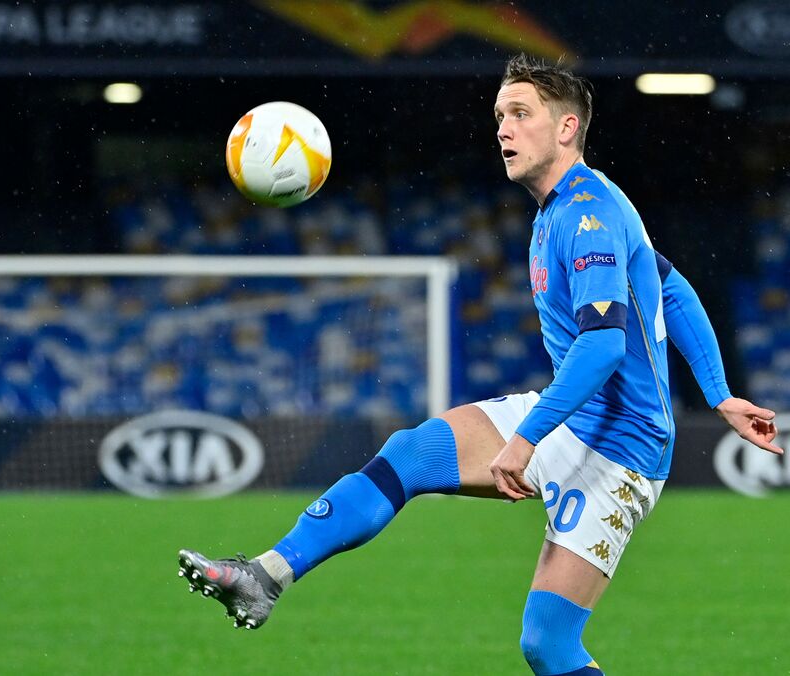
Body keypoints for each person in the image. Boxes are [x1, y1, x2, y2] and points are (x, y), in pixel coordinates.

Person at [177, 54, 783, 675]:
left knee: (548, 646)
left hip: (623, 450)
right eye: (500, 115)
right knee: (410, 452)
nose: (503, 129)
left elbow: (601, 348)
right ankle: (266, 576)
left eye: (521, 114)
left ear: (567, 127)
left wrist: (525, 440)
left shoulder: (588, 214)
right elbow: (670, 286)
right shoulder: (565, 207)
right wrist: (719, 393)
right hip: (579, 417)